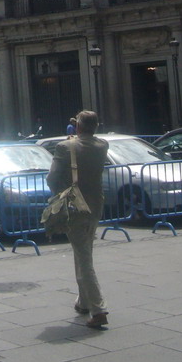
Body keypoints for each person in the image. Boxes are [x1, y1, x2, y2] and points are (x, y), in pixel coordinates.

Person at [47, 110, 110, 328]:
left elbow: (52, 177)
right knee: (83, 250)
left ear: (78, 127)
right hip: (96, 205)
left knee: (84, 258)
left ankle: (98, 309)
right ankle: (84, 302)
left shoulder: (65, 147)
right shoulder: (103, 146)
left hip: (75, 206)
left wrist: (58, 194)